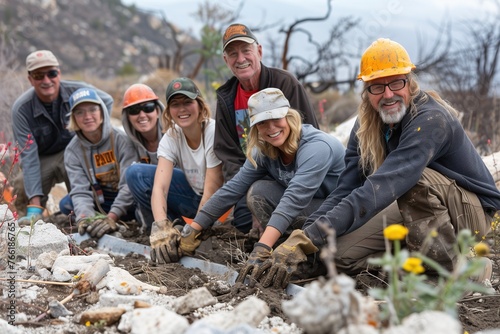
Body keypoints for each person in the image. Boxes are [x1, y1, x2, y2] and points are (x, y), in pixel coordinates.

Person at [256, 38, 500, 289]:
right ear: (366, 91)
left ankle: (460, 270)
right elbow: (345, 188)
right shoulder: (366, 124)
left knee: (416, 181)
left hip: (470, 215)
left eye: (396, 83)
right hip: (419, 206)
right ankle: (414, 266)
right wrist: (306, 238)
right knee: (339, 256)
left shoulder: (430, 119)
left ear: (410, 81)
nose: (388, 94)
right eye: (377, 87)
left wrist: (307, 238)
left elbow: (385, 185)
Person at [149, 88, 345, 272]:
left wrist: (261, 248)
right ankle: (284, 246)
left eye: (276, 118)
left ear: (289, 116)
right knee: (257, 191)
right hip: (311, 207)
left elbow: (294, 200)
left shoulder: (316, 147)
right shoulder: (265, 149)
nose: (271, 128)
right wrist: (194, 229)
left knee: (282, 204)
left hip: (339, 211)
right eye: (262, 123)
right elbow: (232, 189)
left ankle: (310, 257)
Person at [215, 23, 320, 233]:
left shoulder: (285, 84)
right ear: (226, 61)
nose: (241, 59)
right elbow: (229, 156)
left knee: (294, 220)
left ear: (259, 51)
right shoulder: (226, 98)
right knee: (245, 223)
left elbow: (309, 137)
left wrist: (263, 200)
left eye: (246, 50)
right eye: (233, 54)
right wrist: (251, 198)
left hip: (292, 178)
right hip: (250, 178)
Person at [11, 50, 113, 223]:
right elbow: (29, 157)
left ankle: (89, 216)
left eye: (51, 73)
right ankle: (28, 225)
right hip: (43, 159)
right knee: (21, 185)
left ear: (59, 72)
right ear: (30, 79)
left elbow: (107, 101)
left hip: (77, 152)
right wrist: (35, 206)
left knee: (74, 165)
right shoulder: (21, 109)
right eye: (38, 75)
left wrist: (96, 139)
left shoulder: (78, 90)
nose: (46, 81)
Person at [149, 78, 224, 264]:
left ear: (199, 104)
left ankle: (196, 233)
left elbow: (212, 188)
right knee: (138, 175)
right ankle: (173, 233)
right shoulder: (172, 135)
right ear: (168, 111)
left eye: (187, 102)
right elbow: (160, 187)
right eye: (175, 104)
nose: (182, 109)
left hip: (221, 206)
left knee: (203, 231)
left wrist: (195, 231)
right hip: (193, 196)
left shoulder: (213, 131)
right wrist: (161, 226)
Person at [59, 88, 136, 238]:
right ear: (73, 118)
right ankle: (97, 222)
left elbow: (129, 186)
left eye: (92, 109)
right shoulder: (72, 151)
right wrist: (84, 218)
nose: (87, 116)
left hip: (128, 201)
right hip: (102, 201)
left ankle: (120, 221)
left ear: (102, 111)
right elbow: (80, 190)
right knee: (66, 204)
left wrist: (113, 216)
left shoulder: (122, 140)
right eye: (80, 112)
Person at [121, 83, 165, 231]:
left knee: (136, 172)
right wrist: (111, 216)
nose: (142, 115)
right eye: (134, 110)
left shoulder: (174, 135)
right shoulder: (128, 144)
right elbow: (126, 184)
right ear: (127, 117)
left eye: (148, 108)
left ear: (158, 110)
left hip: (176, 194)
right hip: (150, 202)